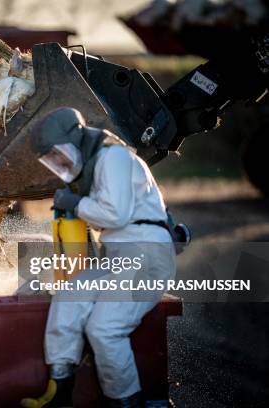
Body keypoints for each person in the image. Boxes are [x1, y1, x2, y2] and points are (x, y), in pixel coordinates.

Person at [22, 108, 176, 408]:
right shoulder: (98, 165)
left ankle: (127, 402)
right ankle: (59, 393)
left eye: (60, 154)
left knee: (104, 329)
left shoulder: (113, 157)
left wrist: (76, 204)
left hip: (145, 255)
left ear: (77, 139)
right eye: (52, 160)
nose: (60, 163)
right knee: (69, 297)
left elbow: (115, 214)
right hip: (122, 258)